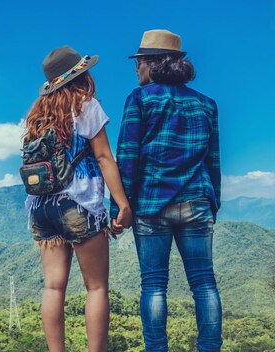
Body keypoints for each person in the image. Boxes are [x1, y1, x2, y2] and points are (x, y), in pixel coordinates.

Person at [110, 29, 223, 351]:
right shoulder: (206, 104)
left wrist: (118, 208)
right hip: (197, 201)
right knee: (204, 284)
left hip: (151, 204)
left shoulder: (139, 99)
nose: (135, 69)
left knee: (154, 286)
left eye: (139, 62)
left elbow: (127, 156)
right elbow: (213, 160)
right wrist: (213, 201)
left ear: (153, 63)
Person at [24, 45, 132, 352]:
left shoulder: (36, 115)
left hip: (40, 206)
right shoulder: (85, 104)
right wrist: (122, 204)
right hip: (78, 204)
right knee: (96, 287)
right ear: (80, 75)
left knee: (53, 287)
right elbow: (103, 157)